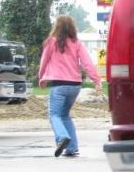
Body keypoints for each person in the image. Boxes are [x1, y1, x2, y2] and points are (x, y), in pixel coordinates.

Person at [38, 15, 102, 158]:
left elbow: (44, 62)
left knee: (54, 115)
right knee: (65, 116)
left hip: (59, 85)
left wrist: (41, 77)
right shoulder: (77, 42)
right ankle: (72, 148)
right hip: (75, 86)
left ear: (57, 26)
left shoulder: (51, 42)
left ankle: (62, 138)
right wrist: (96, 80)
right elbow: (87, 63)